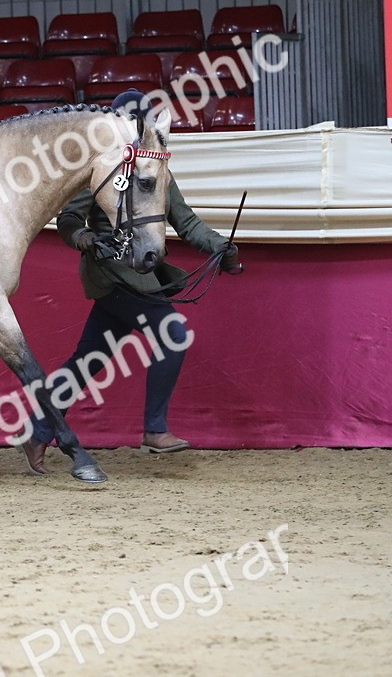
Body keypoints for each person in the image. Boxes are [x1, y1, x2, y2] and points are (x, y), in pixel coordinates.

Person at [19, 89, 243, 475]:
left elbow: (185, 221)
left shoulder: (153, 168)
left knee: (87, 362)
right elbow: (70, 220)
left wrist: (221, 248)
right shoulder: (102, 166)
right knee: (171, 334)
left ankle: (39, 431)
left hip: (139, 275)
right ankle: (155, 430)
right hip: (112, 273)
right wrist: (86, 239)